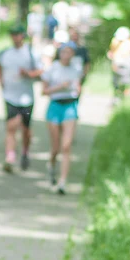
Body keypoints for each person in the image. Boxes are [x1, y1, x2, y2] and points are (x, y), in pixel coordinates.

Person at [0, 23, 40, 173]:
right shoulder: (4, 53)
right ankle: (10, 156)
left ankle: (25, 151)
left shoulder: (31, 53)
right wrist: (0, 80)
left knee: (25, 129)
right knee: (11, 126)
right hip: (10, 96)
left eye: (17, 34)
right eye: (12, 34)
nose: (14, 37)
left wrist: (28, 74)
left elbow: (40, 70)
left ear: (22, 36)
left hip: (26, 98)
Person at [43, 43, 84, 195]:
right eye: (64, 52)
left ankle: (62, 181)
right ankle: (52, 164)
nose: (66, 55)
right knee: (56, 147)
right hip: (55, 106)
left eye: (69, 52)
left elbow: (78, 87)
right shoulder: (52, 68)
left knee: (66, 146)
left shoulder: (76, 69)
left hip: (70, 106)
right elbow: (44, 91)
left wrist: (77, 90)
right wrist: (61, 87)